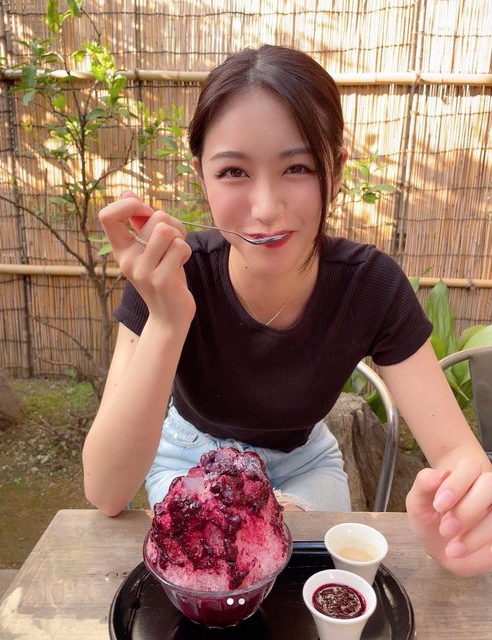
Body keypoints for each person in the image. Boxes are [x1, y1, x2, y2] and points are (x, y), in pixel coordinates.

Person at [82, 44, 492, 576]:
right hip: (187, 456)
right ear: (201, 174)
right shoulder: (167, 276)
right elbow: (106, 491)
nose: (266, 208)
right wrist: (167, 320)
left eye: (297, 167)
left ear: (335, 173)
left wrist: (463, 518)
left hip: (304, 465)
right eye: (233, 171)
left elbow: (459, 456)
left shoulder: (370, 285)